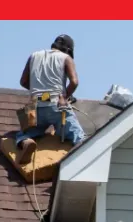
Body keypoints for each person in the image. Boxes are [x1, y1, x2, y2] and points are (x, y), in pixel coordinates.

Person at [16, 35, 84, 165]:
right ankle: (66, 164)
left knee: (24, 134)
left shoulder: (33, 56)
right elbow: (74, 82)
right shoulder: (66, 58)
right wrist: (64, 97)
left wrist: (37, 91)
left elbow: (23, 81)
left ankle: (27, 142)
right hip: (56, 105)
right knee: (79, 138)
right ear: (68, 50)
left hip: (35, 106)